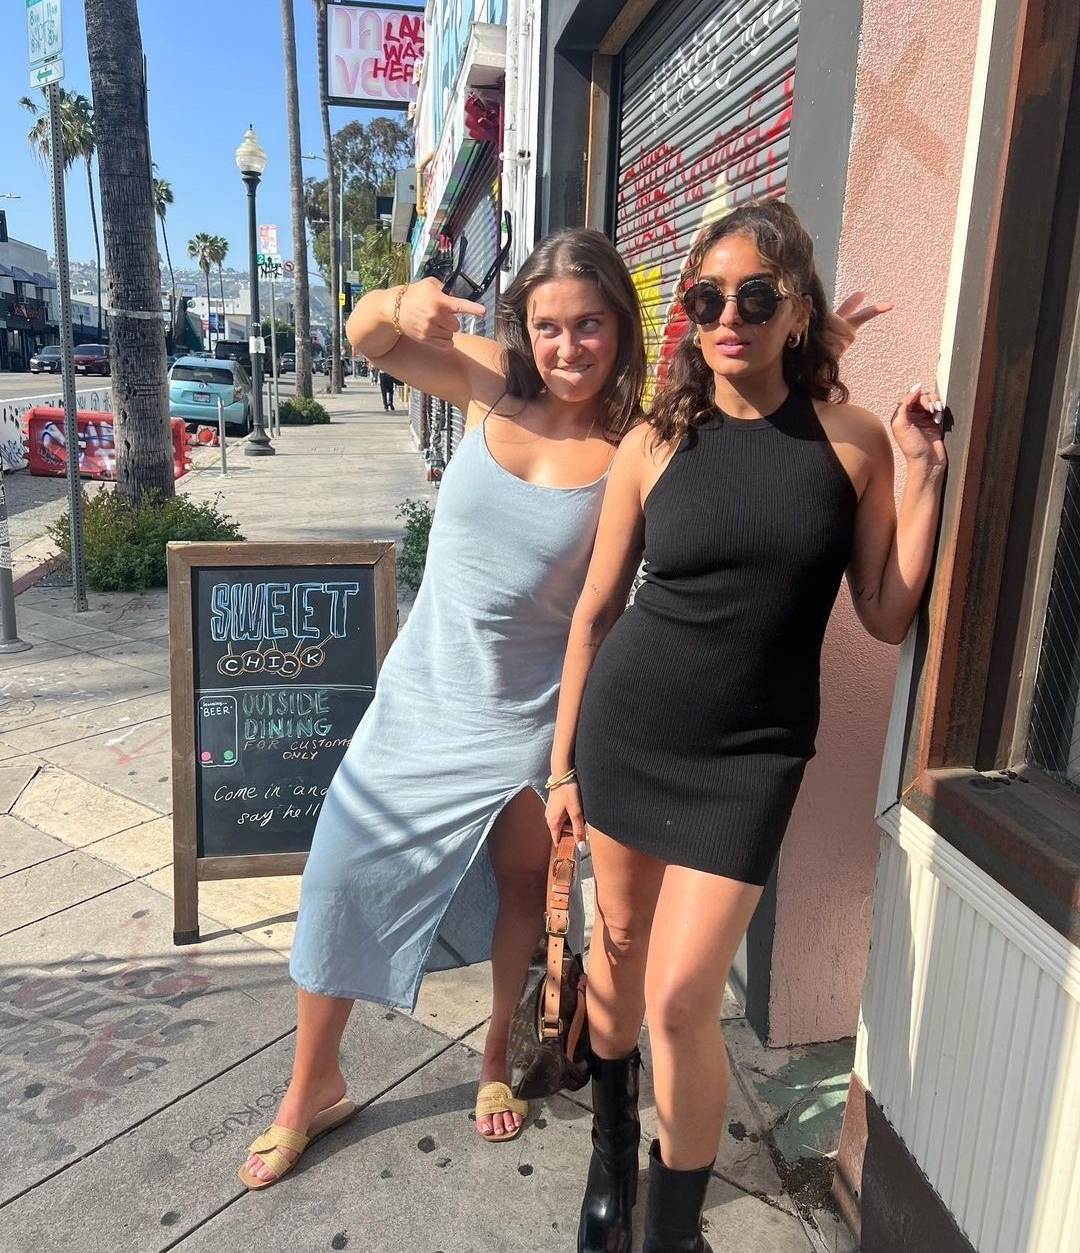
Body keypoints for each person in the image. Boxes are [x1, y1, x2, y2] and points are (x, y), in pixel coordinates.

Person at [544, 201, 946, 1253]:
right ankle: (611, 1159)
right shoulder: (656, 438)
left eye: (757, 298)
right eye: (708, 298)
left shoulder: (852, 441)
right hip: (629, 729)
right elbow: (594, 615)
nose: (730, 317)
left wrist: (925, 475)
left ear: (798, 311)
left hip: (752, 757)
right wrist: (561, 770)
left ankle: (675, 1230)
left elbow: (885, 611)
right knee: (617, 957)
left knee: (682, 995)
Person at [237, 227, 648, 1188]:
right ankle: (312, 1083)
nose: (568, 346)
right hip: (422, 696)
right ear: (525, 329)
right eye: (548, 326)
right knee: (338, 875)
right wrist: (395, 300)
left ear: (622, 327)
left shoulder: (635, 443)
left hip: (531, 716)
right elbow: (369, 339)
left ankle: (495, 1056)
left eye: (589, 324)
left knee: (520, 891)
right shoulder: (494, 381)